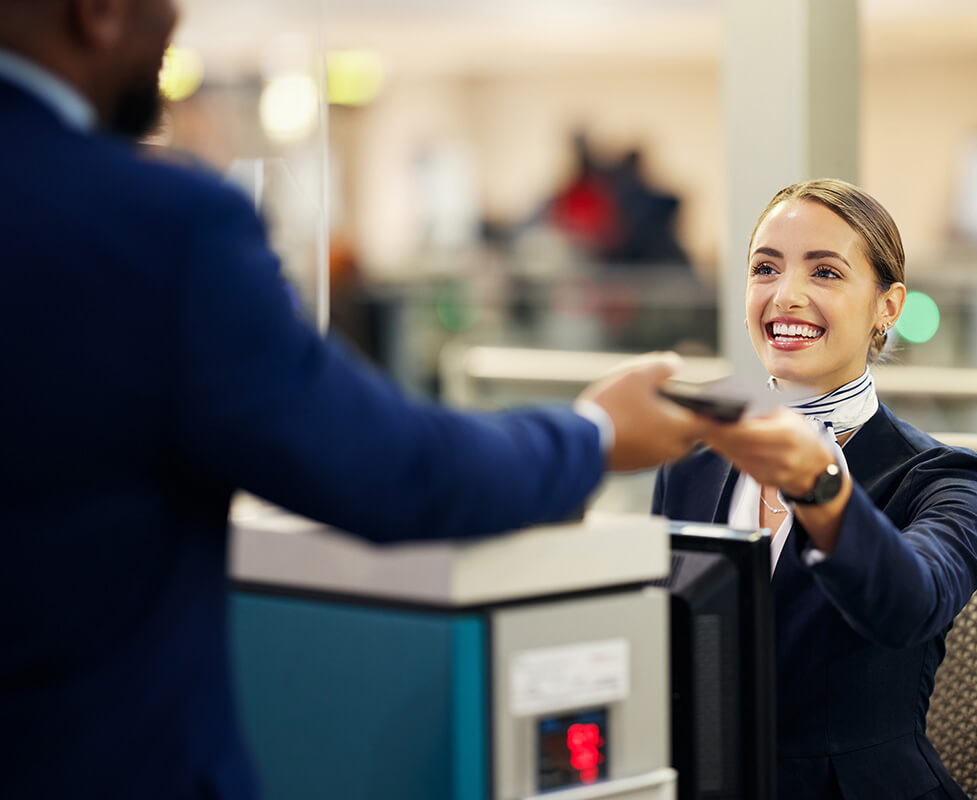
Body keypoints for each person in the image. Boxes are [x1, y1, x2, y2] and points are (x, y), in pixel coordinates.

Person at [0, 1, 706, 797]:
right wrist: (595, 433)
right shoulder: (157, 226)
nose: (177, 22)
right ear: (98, 11)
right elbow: (395, 470)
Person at [652, 179, 977, 800]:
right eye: (765, 268)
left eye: (826, 273)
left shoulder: (945, 480)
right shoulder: (693, 459)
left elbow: (910, 604)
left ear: (888, 308)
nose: (786, 296)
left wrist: (821, 486)